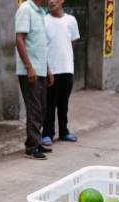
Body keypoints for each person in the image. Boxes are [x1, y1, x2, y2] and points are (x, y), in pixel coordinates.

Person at [16, 0, 53, 160]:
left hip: (40, 69)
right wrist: (29, 67)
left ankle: (36, 141)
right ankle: (31, 148)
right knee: (35, 108)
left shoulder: (40, 12)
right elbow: (19, 40)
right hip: (30, 70)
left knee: (42, 107)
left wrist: (47, 69)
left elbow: (39, 45)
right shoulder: (25, 9)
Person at [42, 0, 80, 146]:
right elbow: (41, 47)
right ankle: (47, 134)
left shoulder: (71, 20)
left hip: (67, 69)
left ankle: (64, 132)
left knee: (64, 104)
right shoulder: (44, 21)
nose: (51, 1)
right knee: (49, 105)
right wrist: (47, 69)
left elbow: (73, 42)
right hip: (51, 71)